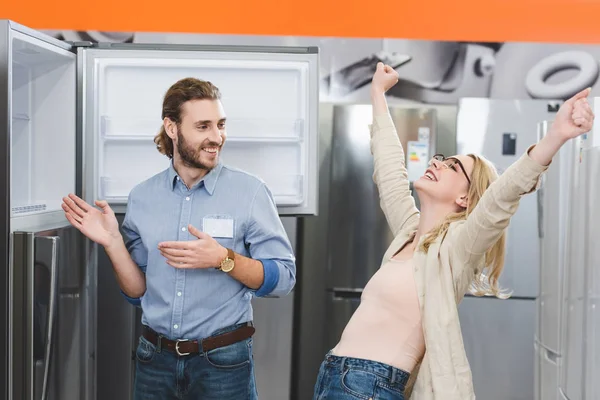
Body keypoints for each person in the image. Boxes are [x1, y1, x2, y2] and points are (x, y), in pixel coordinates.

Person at [313, 63, 594, 400]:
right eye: (442, 159)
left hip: (367, 386)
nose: (436, 162)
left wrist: (556, 135)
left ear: (466, 197)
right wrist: (377, 93)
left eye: (452, 166)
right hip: (335, 376)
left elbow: (502, 197)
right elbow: (388, 169)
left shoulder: (457, 249)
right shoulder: (409, 232)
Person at [61, 77, 296, 400]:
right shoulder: (142, 197)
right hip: (154, 361)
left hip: (223, 363)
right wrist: (113, 243)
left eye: (221, 125)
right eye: (203, 126)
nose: (217, 137)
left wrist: (223, 259)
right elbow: (137, 292)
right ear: (172, 128)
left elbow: (284, 278)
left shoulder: (250, 192)